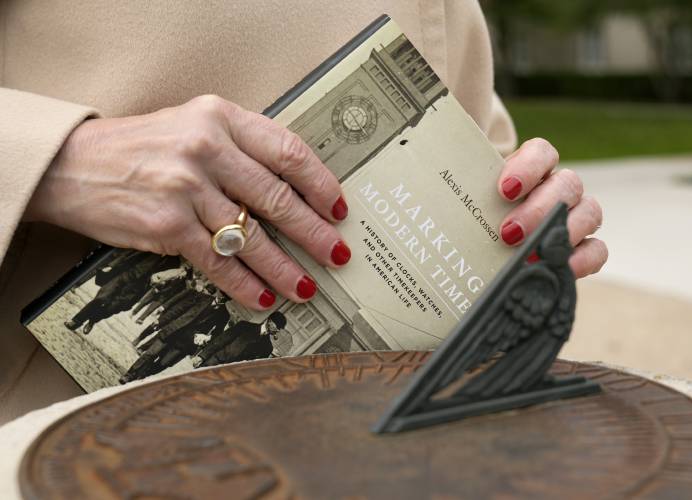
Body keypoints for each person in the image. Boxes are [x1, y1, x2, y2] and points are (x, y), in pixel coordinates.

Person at [0, 1, 607, 423]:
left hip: (359, 447)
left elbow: (484, 134)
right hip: (56, 433)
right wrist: (63, 161)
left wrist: (531, 216)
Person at [193, 312, 288, 368]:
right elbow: (221, 339)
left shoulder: (267, 347)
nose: (278, 330)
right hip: (215, 360)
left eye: (280, 328)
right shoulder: (244, 326)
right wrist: (202, 356)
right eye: (278, 326)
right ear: (270, 321)